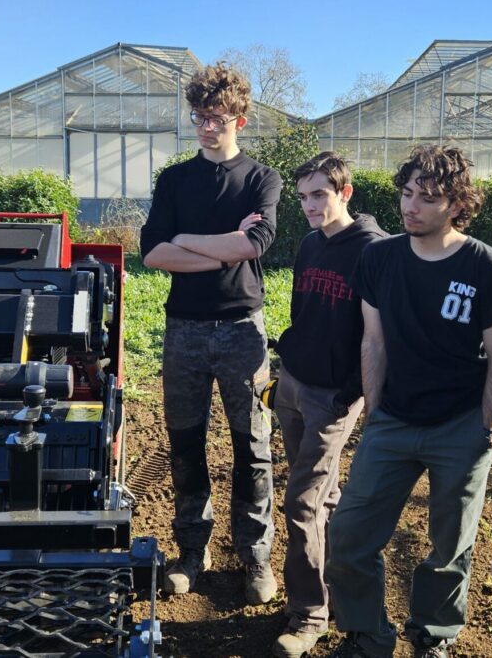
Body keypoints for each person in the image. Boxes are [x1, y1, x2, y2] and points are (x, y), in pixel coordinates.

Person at [325, 146, 492, 658]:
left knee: (450, 545)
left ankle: (433, 634)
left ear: (457, 205)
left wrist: (489, 429)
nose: (410, 206)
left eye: (427, 198)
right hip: (393, 420)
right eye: (407, 193)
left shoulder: (488, 267)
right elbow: (373, 342)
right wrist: (376, 415)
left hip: (461, 426)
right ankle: (367, 636)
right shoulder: (379, 259)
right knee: (349, 535)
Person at [139, 62, 282, 605]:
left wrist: (187, 241)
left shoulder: (262, 179)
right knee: (185, 442)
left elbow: (253, 245)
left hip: (244, 329)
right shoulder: (174, 180)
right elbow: (153, 253)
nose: (205, 126)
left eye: (216, 118)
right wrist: (223, 246)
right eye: (199, 116)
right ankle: (191, 553)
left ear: (239, 120)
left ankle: (255, 556)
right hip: (185, 331)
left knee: (254, 445)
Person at [272, 152, 387, 658]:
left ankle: (309, 614)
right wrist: (286, 368)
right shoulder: (310, 244)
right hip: (294, 384)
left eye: (319, 194)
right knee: (326, 495)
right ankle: (338, 591)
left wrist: (351, 391)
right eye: (302, 197)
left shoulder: (373, 251)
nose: (309, 206)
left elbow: (378, 334)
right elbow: (302, 312)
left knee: (302, 501)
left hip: (333, 397)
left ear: (345, 193)